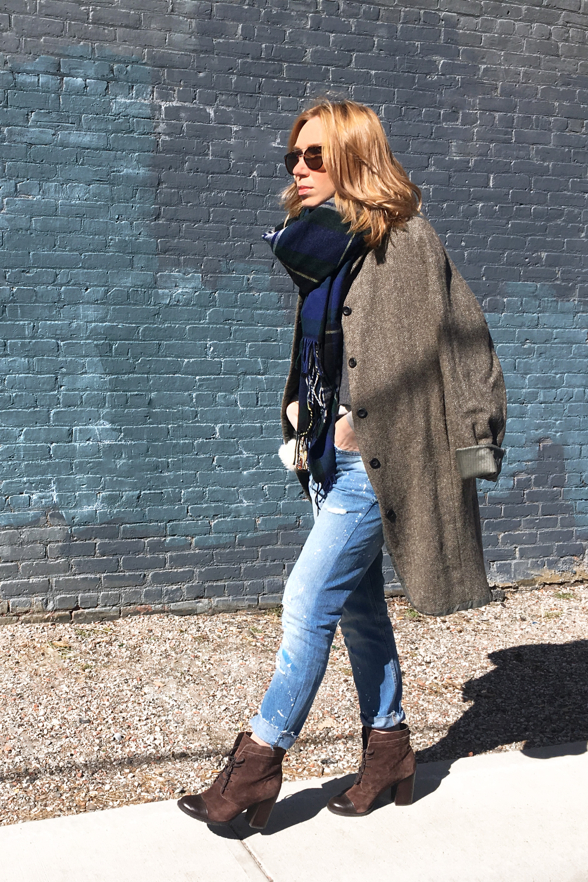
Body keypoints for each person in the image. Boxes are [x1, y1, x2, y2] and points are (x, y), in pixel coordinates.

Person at [178, 99, 506, 829]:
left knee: (306, 600)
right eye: (293, 156)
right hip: (325, 458)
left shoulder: (405, 240)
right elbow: (332, 348)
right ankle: (389, 751)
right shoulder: (324, 245)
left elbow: (465, 341)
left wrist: (468, 437)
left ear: (355, 157)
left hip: (374, 463)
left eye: (315, 156)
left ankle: (257, 764)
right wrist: (310, 404)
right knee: (358, 610)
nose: (299, 168)